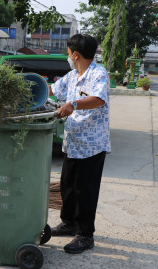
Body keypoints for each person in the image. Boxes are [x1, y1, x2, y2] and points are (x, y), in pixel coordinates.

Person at [49, 34, 111, 254]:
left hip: (92, 146)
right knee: (68, 186)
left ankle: (85, 235)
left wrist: (73, 104)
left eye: (68, 52)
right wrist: (31, 87)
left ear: (75, 54)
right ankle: (69, 223)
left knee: (86, 191)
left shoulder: (98, 74)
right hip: (73, 143)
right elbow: (51, 91)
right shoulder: (73, 75)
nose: (68, 56)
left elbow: (98, 98)